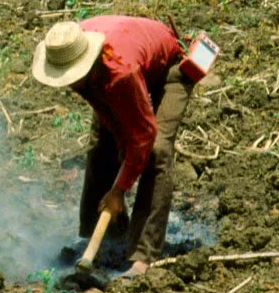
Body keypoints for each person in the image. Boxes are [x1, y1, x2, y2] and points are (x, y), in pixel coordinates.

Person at [31, 16, 193, 277]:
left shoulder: (120, 74)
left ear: (87, 62)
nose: (68, 82)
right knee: (101, 148)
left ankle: (144, 255)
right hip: (121, 66)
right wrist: (121, 148)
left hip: (168, 67)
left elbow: (143, 135)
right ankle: (106, 240)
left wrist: (119, 190)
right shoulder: (68, 47)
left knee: (156, 152)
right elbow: (109, 119)